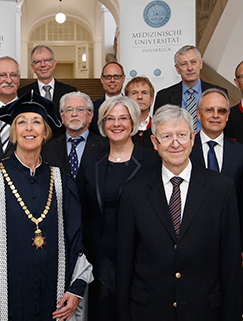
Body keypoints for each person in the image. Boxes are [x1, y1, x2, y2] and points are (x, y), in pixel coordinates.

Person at [0, 90, 93, 321]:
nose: (29, 128)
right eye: (22, 122)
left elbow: (75, 237)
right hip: (2, 295)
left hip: (53, 291)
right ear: (14, 133)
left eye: (36, 122)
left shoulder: (61, 180)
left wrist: (76, 287)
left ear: (45, 132)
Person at [116, 105, 242, 321]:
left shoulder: (221, 188)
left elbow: (230, 263)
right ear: (155, 143)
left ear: (193, 138)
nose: (175, 143)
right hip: (149, 311)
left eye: (182, 135)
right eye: (166, 136)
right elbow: (125, 261)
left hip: (204, 311)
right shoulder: (133, 191)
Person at [75, 96, 160, 320]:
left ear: (133, 122)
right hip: (100, 259)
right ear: (102, 124)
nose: (116, 124)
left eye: (123, 118)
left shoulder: (152, 162)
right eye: (110, 118)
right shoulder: (91, 161)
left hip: (141, 258)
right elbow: (81, 210)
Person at [190, 88, 243, 320]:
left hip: (230, 242)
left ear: (228, 116)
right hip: (191, 243)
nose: (215, 115)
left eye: (222, 111)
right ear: (198, 114)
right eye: (209, 110)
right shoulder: (184, 149)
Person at [153, 45, 227, 132]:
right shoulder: (164, 96)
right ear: (177, 69)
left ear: (200, 64)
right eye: (184, 64)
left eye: (193, 62)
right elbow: (159, 129)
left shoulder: (219, 93)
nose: (190, 68)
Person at [42, 91, 108, 179]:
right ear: (62, 117)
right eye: (69, 110)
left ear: (90, 116)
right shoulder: (48, 148)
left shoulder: (106, 147)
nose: (74, 114)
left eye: (80, 109)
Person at [18, 45, 78, 135]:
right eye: (37, 61)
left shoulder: (70, 92)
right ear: (33, 67)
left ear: (54, 63)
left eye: (47, 60)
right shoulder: (23, 93)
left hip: (62, 145)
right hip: (34, 143)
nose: (43, 65)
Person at [90, 62, 126, 134]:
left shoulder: (132, 106)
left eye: (116, 76)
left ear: (123, 78)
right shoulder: (92, 108)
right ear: (102, 79)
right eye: (108, 77)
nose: (112, 80)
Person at [125, 76, 156, 150]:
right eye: (134, 93)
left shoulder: (159, 127)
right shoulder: (121, 127)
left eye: (144, 93)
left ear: (152, 100)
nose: (139, 97)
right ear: (126, 99)